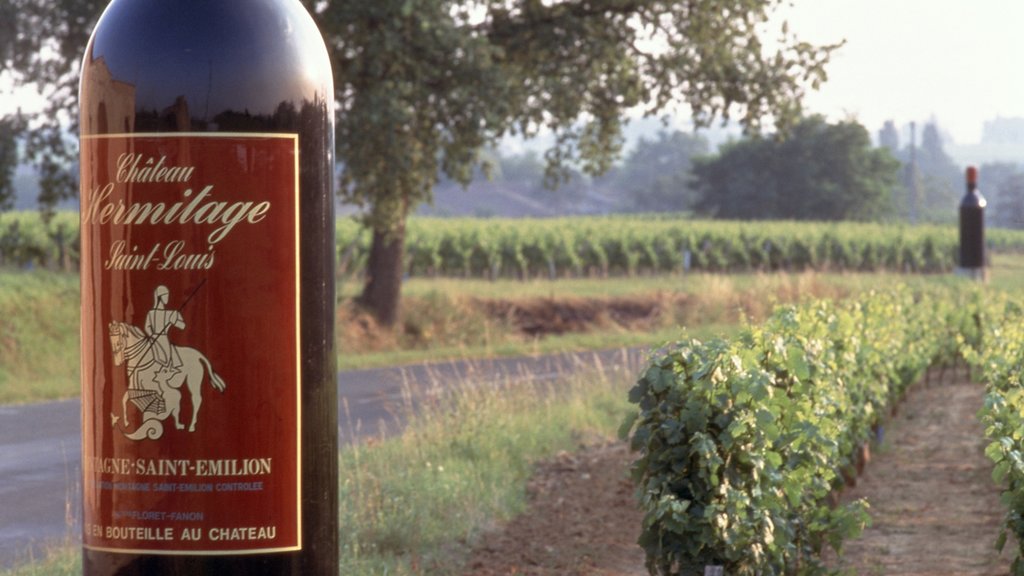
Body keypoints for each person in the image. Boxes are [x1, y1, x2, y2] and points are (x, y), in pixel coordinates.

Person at [146, 285, 185, 376]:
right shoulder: (151, 313)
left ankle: (167, 373)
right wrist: (152, 335)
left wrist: (174, 321)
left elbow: (183, 326)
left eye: (167, 295)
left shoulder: (171, 313)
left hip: (163, 339)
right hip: (153, 338)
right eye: (165, 295)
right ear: (160, 297)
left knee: (166, 357)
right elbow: (147, 327)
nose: (167, 297)